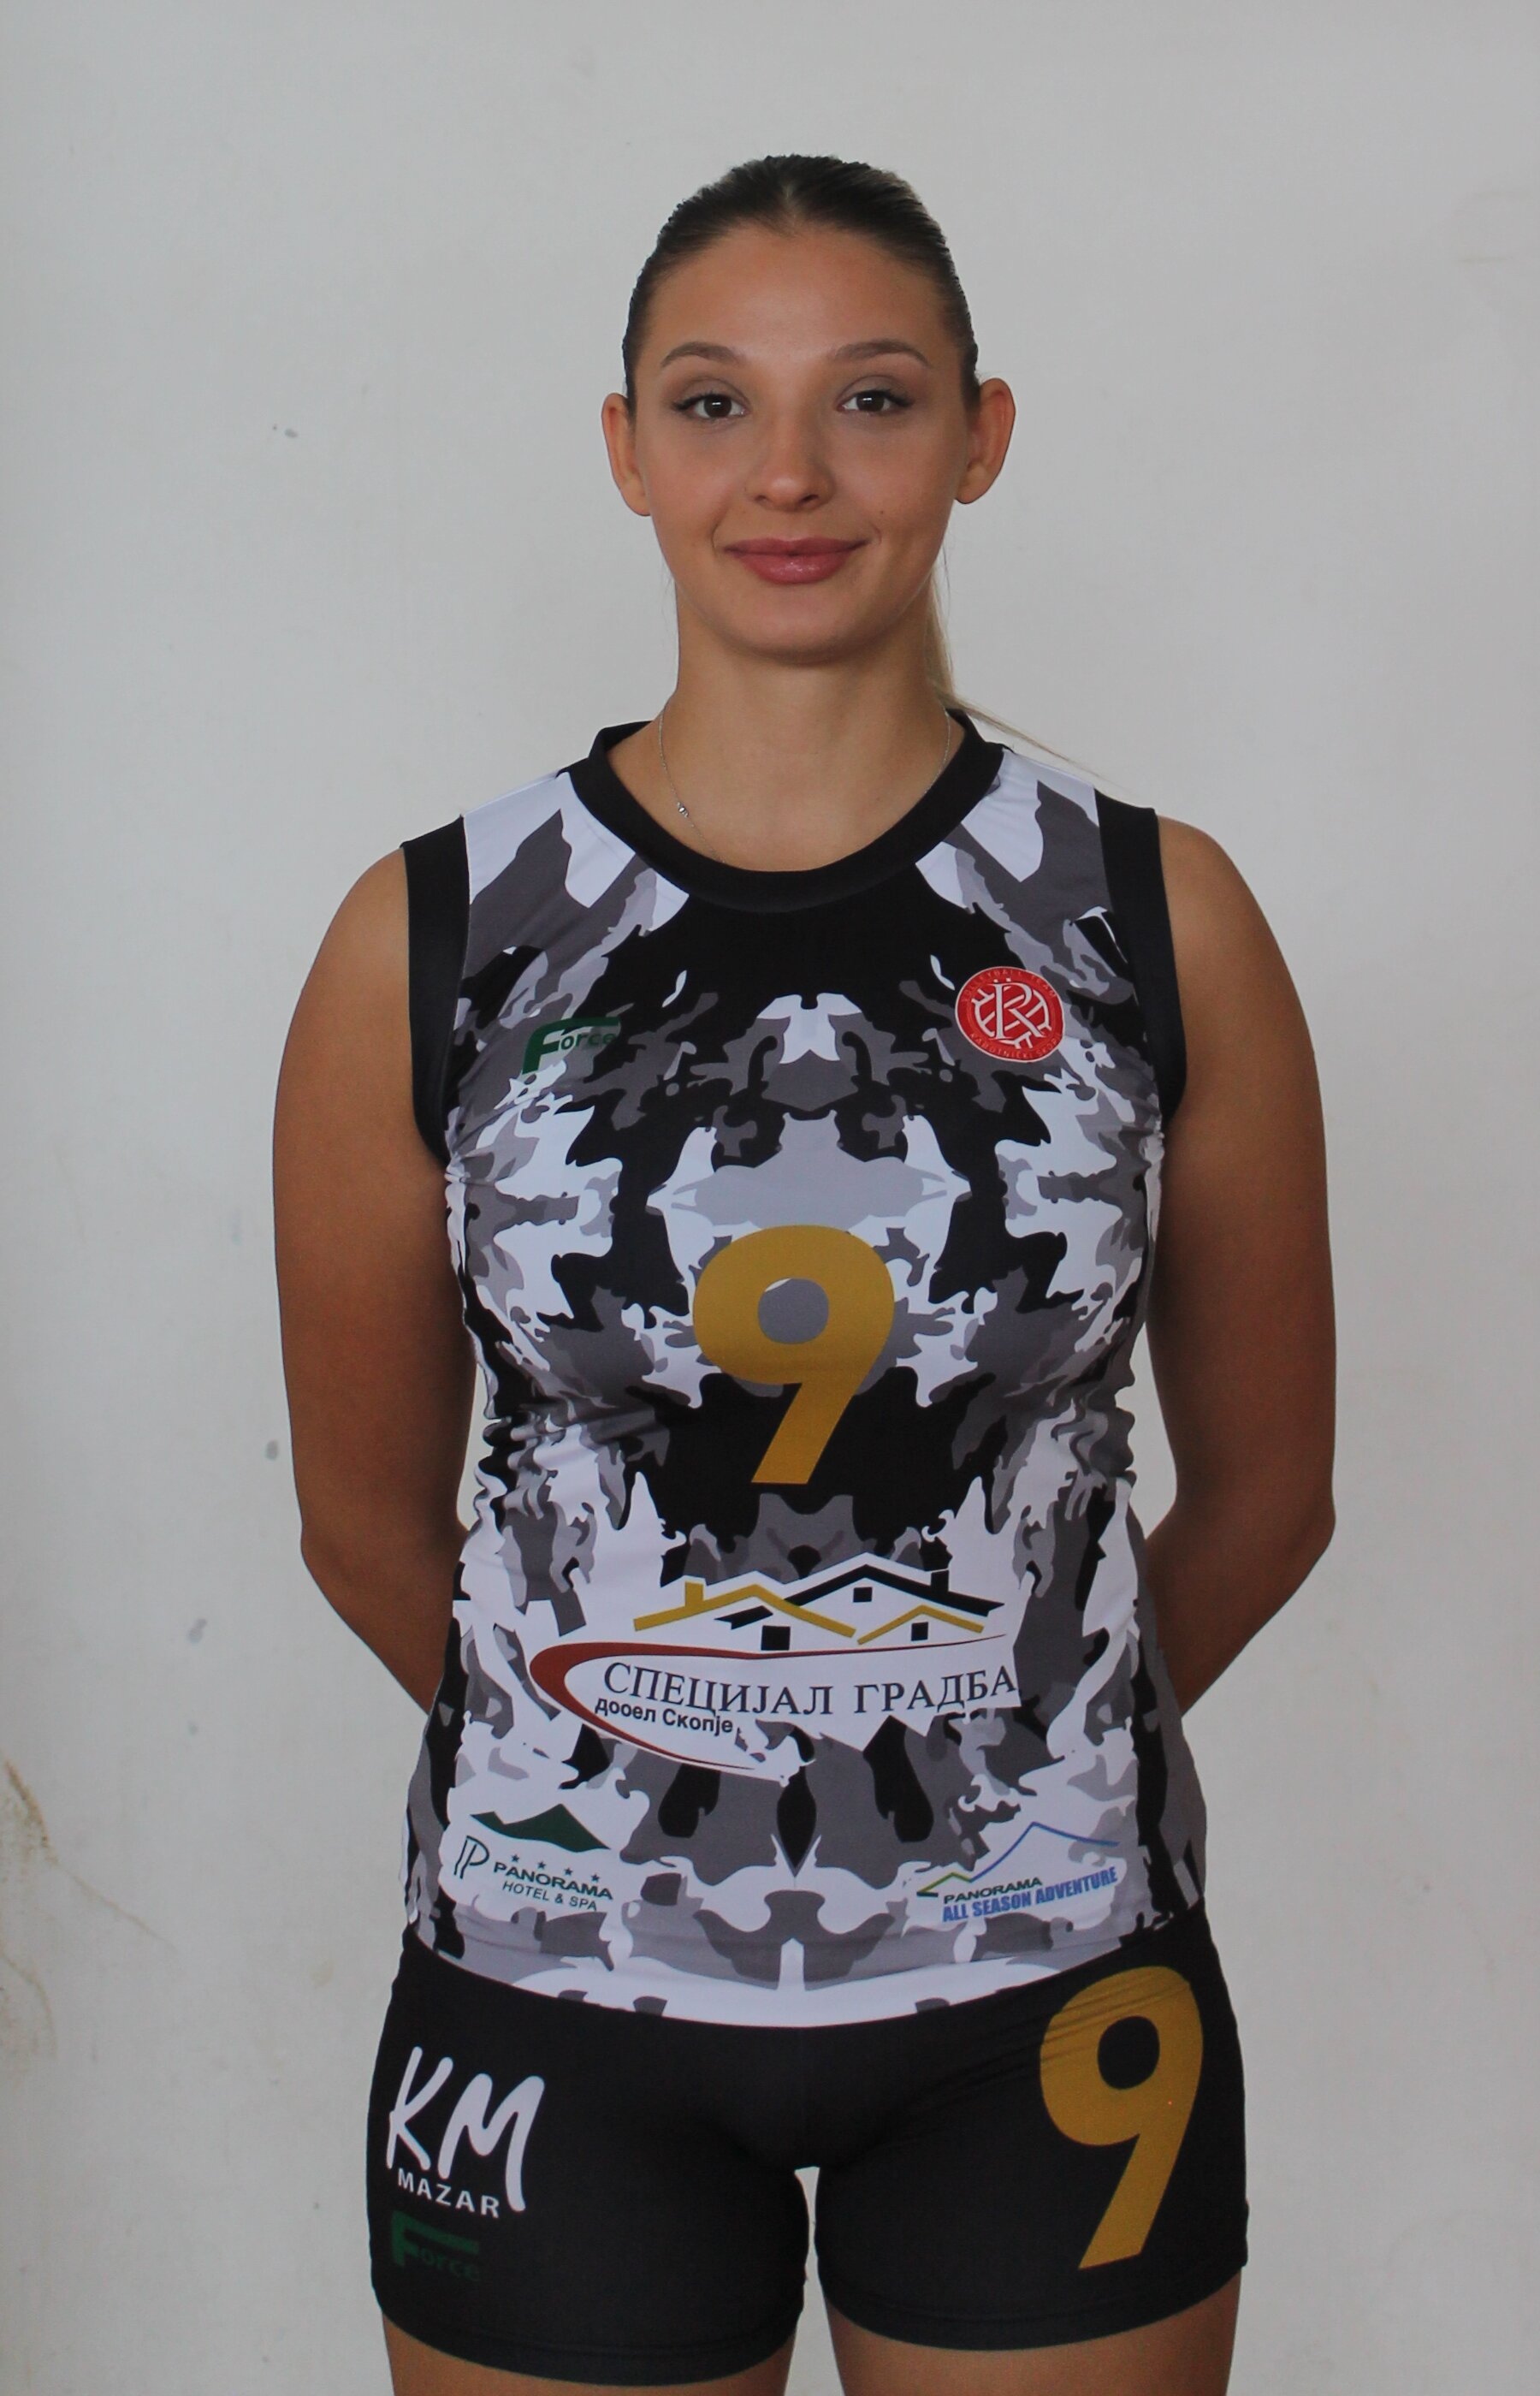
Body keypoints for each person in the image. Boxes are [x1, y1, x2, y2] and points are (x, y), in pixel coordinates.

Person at [273, 154, 1335, 2396]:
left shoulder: (1151, 919)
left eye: (870, 399)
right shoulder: (438, 937)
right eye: (712, 403)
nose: (787, 475)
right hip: (555, 1999)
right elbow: (364, 1527)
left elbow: (1269, 1500)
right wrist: (633, 1759)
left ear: (980, 435)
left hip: (1053, 2001)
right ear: (624, 449)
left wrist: (1009, 1751)